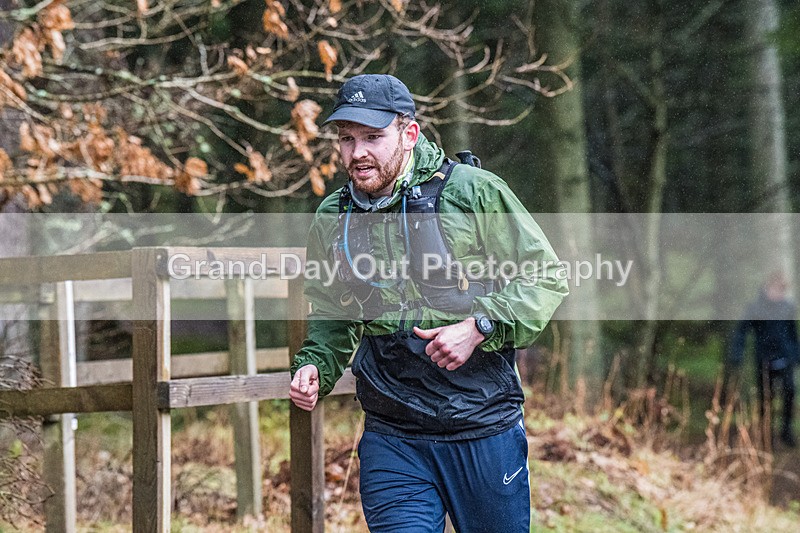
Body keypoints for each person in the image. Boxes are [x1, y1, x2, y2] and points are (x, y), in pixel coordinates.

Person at [289, 73, 568, 532]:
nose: (357, 153)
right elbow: (332, 311)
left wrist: (480, 326)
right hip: (393, 431)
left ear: (410, 133)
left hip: (481, 425)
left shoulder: (473, 191)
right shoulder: (333, 217)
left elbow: (545, 276)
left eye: (373, 137)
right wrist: (316, 364)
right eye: (347, 139)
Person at [729, 270, 798, 448]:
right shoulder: (756, 308)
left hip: (785, 358)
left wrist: (796, 355)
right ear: (768, 287)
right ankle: (766, 435)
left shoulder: (788, 307)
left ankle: (786, 432)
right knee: (765, 398)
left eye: (782, 289)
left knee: (789, 392)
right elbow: (741, 331)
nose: (779, 292)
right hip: (764, 359)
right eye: (776, 288)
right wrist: (737, 353)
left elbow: (792, 334)